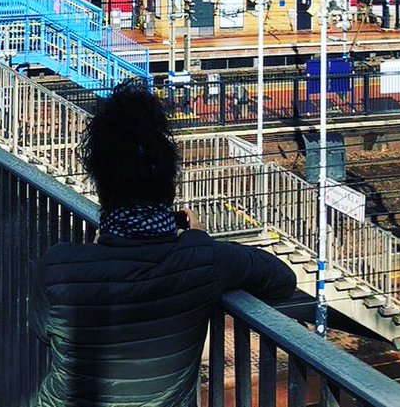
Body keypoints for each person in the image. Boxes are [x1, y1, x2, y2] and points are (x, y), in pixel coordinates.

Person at [30, 80, 296, 407]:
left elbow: (44, 332)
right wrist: (198, 240)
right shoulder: (201, 260)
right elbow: (283, 280)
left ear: (101, 189)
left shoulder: (57, 266)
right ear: (170, 188)